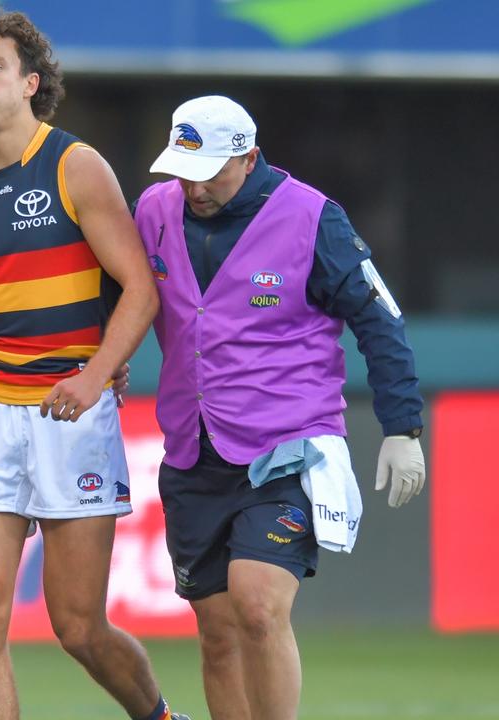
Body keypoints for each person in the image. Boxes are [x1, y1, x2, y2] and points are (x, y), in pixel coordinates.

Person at [0, 9, 187, 720]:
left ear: (30, 83)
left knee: (78, 627)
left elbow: (142, 291)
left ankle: (159, 716)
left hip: (70, 415)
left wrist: (92, 376)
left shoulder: (75, 166)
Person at [134, 95, 427, 720]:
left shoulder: (314, 218)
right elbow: (116, 291)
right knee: (216, 633)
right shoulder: (155, 211)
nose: (194, 186)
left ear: (249, 157)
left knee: (259, 606)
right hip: (192, 450)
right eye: (184, 170)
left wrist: (402, 428)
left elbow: (379, 319)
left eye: (210, 170)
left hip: (287, 446)